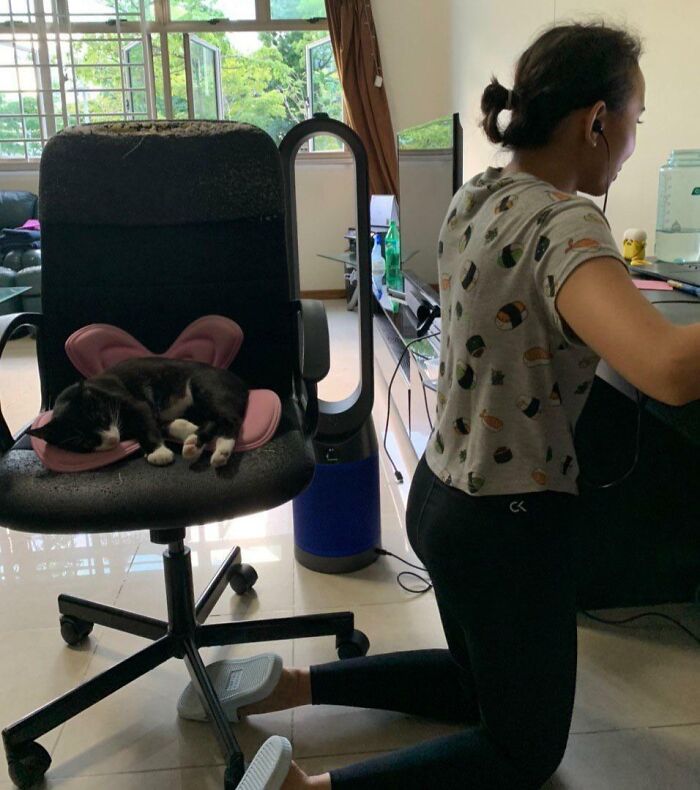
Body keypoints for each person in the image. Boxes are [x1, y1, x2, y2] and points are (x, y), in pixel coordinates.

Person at [235, 21, 692, 790]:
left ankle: (292, 687)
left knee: (474, 679)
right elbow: (669, 369)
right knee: (523, 752)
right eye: (635, 124)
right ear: (597, 121)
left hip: (442, 499)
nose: (630, 145)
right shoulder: (567, 220)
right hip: (512, 526)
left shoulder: (477, 193)